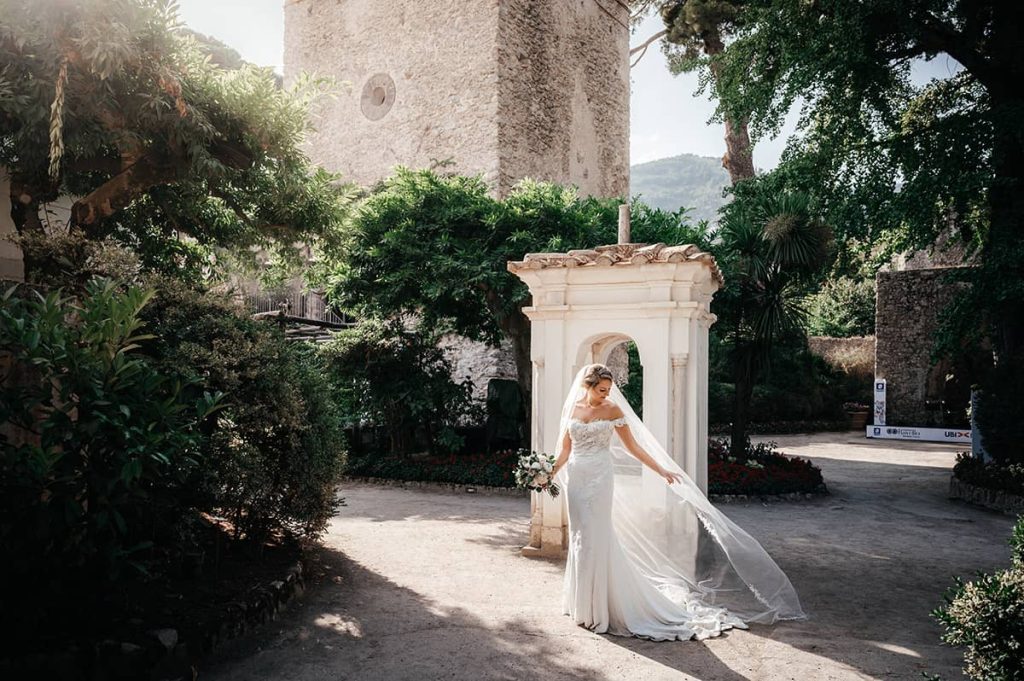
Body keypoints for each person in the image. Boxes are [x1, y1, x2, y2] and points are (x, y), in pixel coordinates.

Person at [549, 363, 806, 641]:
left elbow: (634, 447)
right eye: (601, 390)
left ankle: (599, 609)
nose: (605, 395)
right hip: (577, 477)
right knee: (579, 537)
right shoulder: (573, 409)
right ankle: (581, 604)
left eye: (608, 390)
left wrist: (661, 470)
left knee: (596, 536)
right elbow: (564, 451)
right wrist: (546, 473)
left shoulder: (612, 410)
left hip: (600, 478)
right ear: (587, 386)